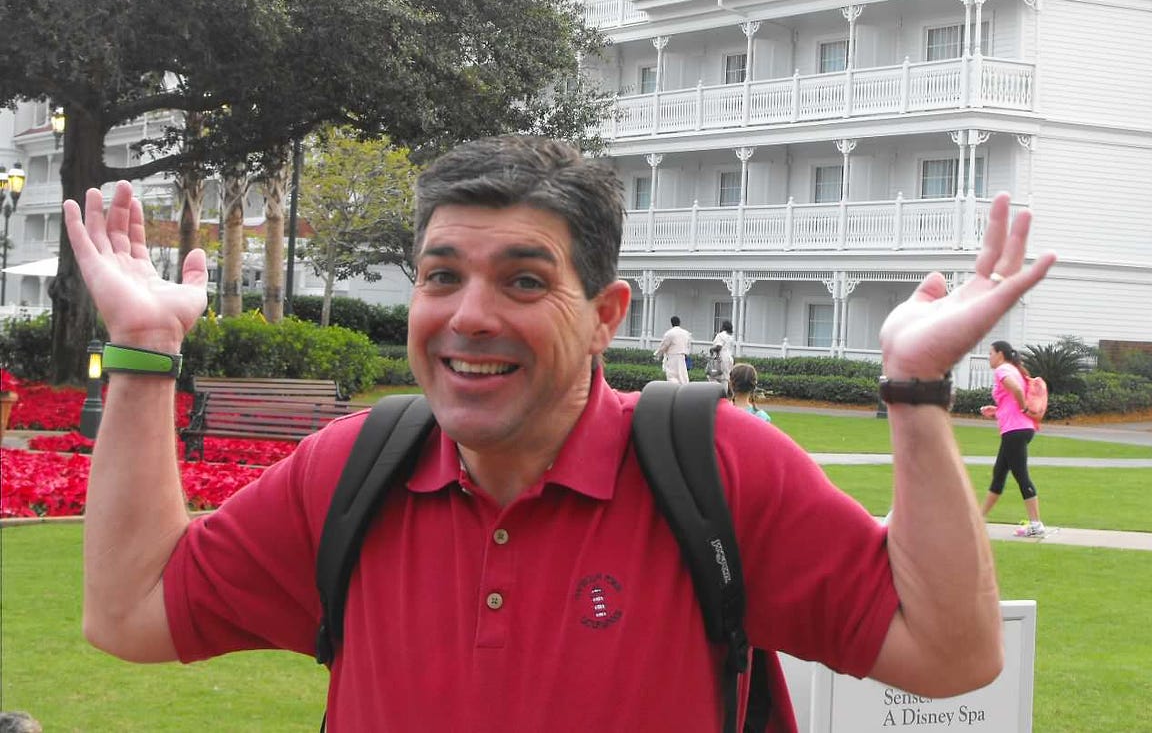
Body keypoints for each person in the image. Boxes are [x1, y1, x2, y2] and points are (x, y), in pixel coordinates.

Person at [66, 135, 1054, 730]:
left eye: (525, 281)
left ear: (607, 314)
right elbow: (131, 613)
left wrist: (916, 391)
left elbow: (949, 655)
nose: (469, 316)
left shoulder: (711, 470)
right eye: (442, 274)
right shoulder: (353, 473)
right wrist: (146, 350)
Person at [978, 340, 1046, 538]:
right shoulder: (1016, 369)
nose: (989, 357)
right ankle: (979, 519)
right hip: (1020, 428)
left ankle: (1036, 524)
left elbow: (1016, 390)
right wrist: (997, 411)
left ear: (1000, 354)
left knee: (1020, 475)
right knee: (999, 473)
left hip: (1015, 430)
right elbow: (1011, 400)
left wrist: (1023, 406)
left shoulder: (1003, 370)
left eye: (991, 353)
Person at [653, 315, 692, 385]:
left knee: (672, 376)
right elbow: (688, 346)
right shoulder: (686, 333)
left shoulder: (669, 333)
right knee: (683, 376)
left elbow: (663, 346)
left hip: (672, 357)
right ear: (679, 323)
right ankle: (684, 391)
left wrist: (657, 354)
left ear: (671, 323)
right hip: (682, 357)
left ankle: (674, 391)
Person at [708, 318, 734, 384]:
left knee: (713, 376)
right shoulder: (730, 337)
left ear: (723, 327)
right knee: (725, 378)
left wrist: (711, 349)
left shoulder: (720, 335)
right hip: (729, 358)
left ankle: (715, 392)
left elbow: (719, 347)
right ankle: (724, 393)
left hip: (720, 358)